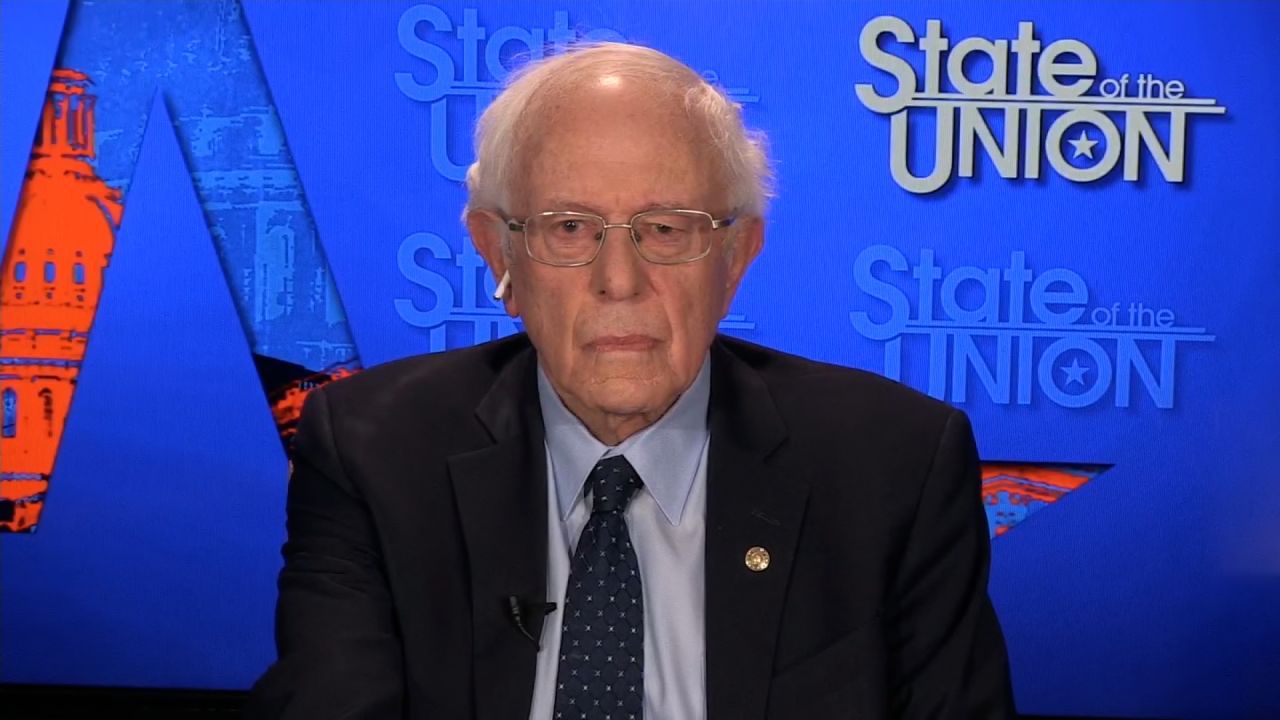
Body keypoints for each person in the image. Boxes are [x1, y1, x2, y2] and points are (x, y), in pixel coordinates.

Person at [246, 41, 1015, 720]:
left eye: (668, 229)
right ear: (497, 253)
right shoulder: (374, 453)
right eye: (570, 227)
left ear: (737, 257)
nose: (621, 280)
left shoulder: (896, 465)